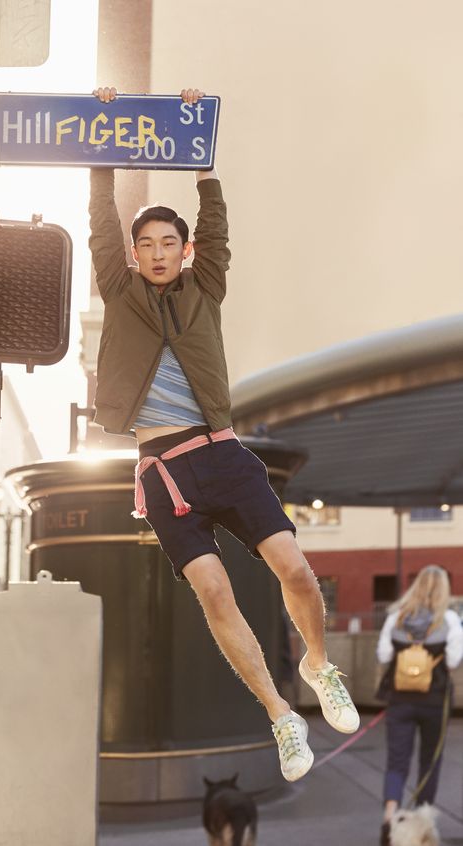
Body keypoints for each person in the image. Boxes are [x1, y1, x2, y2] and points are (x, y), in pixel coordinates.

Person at [88, 85, 360, 782]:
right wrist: (102, 145)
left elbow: (218, 221)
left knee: (295, 570)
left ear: (185, 250)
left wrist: (201, 156)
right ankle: (280, 717)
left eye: (167, 243)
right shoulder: (119, 293)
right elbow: (97, 222)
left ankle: (319, 665)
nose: (155, 252)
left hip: (224, 456)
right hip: (164, 473)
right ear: (134, 252)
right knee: (214, 593)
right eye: (144, 243)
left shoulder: (205, 285)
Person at [376, 565, 463, 842]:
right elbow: (453, 661)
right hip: (435, 699)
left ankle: (389, 820)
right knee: (430, 761)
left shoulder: (396, 617)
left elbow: (383, 655)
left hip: (400, 698)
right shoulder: (449, 619)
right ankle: (422, 827)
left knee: (396, 762)